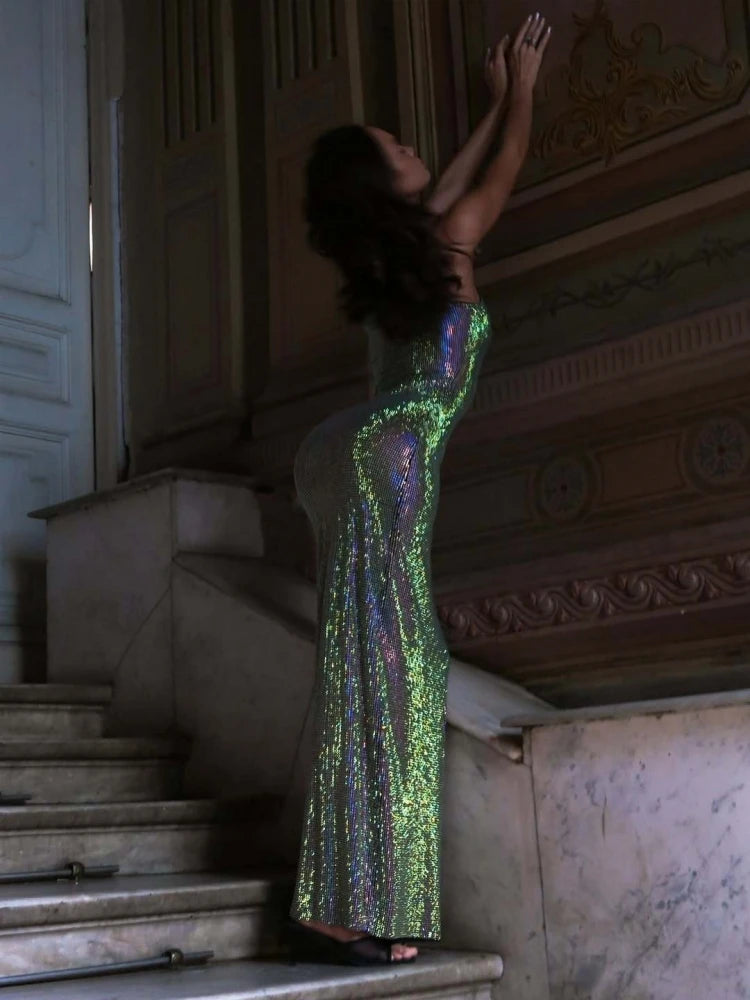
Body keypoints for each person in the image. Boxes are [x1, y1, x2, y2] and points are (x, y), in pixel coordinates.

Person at [284, 12, 551, 966]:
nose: (413, 150)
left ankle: (342, 900)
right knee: (402, 669)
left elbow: (446, 183)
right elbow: (500, 171)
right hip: (391, 454)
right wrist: (519, 93)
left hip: (342, 452)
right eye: (397, 148)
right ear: (381, 183)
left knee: (363, 665)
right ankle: (371, 904)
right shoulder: (447, 241)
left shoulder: (401, 250)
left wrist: (484, 107)